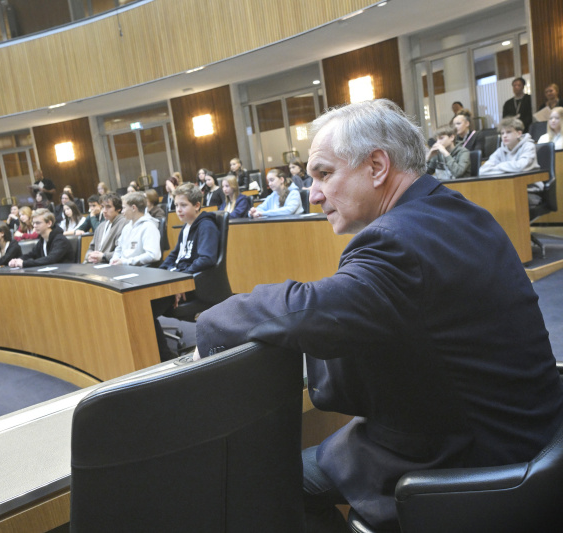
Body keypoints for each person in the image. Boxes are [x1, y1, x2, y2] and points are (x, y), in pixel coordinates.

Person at [193, 99, 563, 532]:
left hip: (472, 453)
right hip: (528, 430)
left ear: (376, 166)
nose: (313, 195)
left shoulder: (396, 241)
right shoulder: (458, 212)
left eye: (324, 174)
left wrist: (210, 325)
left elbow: (305, 310)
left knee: (261, 483)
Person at [153, 183, 220, 360]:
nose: (178, 210)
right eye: (176, 206)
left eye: (183, 205)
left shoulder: (206, 226)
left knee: (146, 309)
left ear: (197, 205)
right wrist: (160, 276)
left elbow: (207, 259)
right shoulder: (186, 227)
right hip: (178, 280)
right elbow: (174, 255)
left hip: (193, 284)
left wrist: (179, 282)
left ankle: (165, 357)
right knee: (144, 300)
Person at [479, 116, 542, 205]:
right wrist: (507, 168)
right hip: (507, 189)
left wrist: (499, 167)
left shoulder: (528, 146)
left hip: (529, 191)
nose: (504, 136)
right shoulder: (500, 151)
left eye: (508, 132)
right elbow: (482, 170)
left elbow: (520, 166)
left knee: (504, 200)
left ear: (518, 133)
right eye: (502, 133)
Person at [8, 209, 74, 267]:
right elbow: (32, 254)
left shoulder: (60, 240)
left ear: (49, 223)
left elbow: (51, 259)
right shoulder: (43, 240)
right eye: (33, 223)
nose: (34, 226)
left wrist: (24, 263)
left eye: (38, 223)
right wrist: (18, 260)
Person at [109, 192, 161, 266]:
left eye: (124, 208)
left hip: (139, 270)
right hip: (123, 267)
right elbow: (119, 248)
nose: (122, 211)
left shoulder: (149, 227)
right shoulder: (127, 227)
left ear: (133, 208)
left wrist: (125, 262)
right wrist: (113, 260)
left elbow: (153, 255)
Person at [84, 193, 129, 264]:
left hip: (111, 266)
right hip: (95, 264)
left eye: (108, 207)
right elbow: (91, 248)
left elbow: (122, 251)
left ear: (118, 209)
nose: (104, 211)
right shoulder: (101, 226)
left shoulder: (125, 223)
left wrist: (104, 256)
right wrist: (89, 255)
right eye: (102, 207)